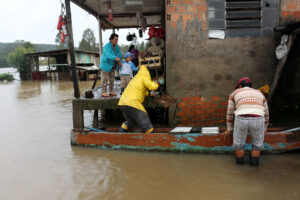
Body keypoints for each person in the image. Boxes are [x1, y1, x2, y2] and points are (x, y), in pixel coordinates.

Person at [222, 77, 269, 166]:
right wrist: (265, 129)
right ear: (250, 86)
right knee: (257, 145)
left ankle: (240, 167)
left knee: (238, 144)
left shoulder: (234, 93)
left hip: (241, 118)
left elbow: (230, 113)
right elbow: (266, 113)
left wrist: (229, 129)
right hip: (258, 118)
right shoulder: (259, 93)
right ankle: (253, 168)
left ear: (239, 86)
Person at [118, 65, 159, 133]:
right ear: (147, 72)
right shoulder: (144, 77)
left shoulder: (135, 78)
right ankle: (153, 139)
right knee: (146, 123)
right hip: (133, 103)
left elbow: (141, 90)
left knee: (130, 121)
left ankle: (120, 135)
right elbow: (152, 87)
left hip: (122, 103)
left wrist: (149, 94)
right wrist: (157, 84)